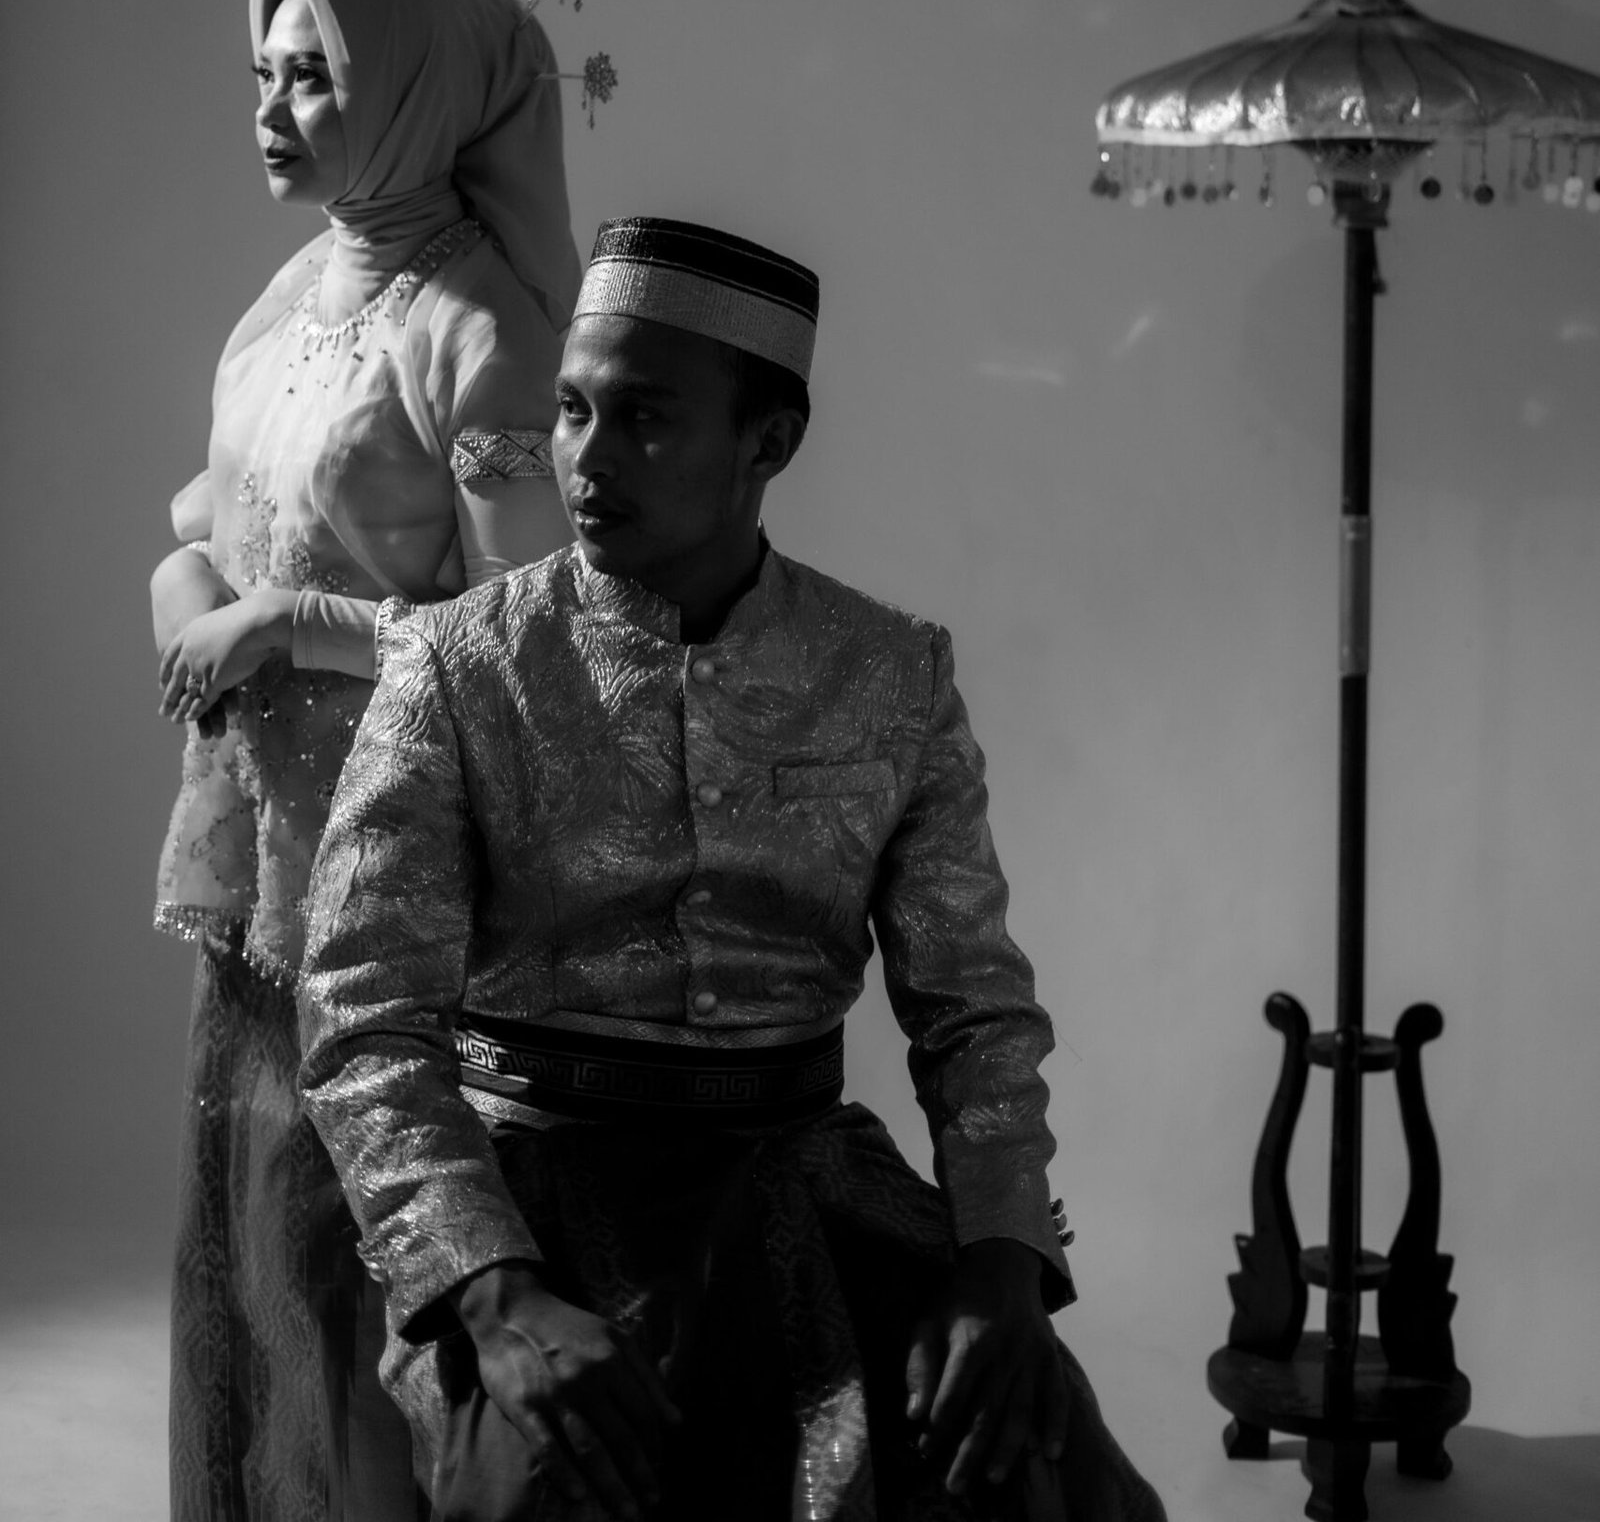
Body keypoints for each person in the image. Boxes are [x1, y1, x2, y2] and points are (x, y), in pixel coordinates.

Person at [298, 216, 1165, 1521]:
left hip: (809, 1186)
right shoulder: (458, 666)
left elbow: (975, 1009)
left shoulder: (890, 673)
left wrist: (1002, 1260)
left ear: (771, 441)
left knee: (1022, 1461)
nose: (588, 458)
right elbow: (362, 1022)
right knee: (549, 1487)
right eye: (574, 411)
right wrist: (494, 1290)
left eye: (645, 419)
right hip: (536, 1202)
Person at [151, 0, 583, 1522]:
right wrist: (184, 583)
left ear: (408, 94)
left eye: (314, 76)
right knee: (252, 1246)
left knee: (362, 1258)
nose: (271, 108)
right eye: (262, 75)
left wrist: (281, 623)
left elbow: (529, 646)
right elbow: (219, 505)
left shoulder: (481, 329)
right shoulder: (293, 293)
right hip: (261, 848)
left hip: (393, 868)